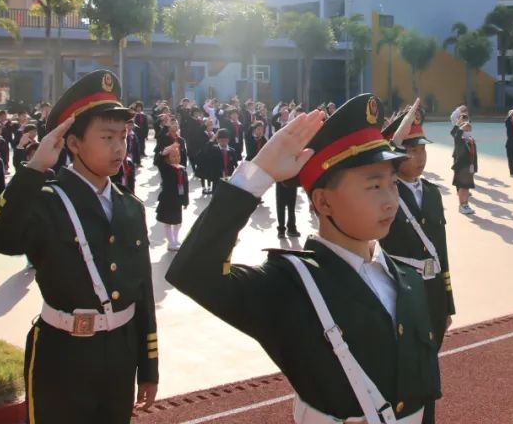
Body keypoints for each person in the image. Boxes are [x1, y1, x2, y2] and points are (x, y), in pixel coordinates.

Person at [167, 95, 441, 423]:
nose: (390, 201)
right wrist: (257, 175)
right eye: (374, 186)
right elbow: (195, 272)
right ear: (323, 203)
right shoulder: (290, 286)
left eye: (393, 184)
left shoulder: (408, 281)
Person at [0, 70, 159, 423]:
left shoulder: (130, 206)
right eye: (107, 137)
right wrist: (34, 169)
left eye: (123, 136)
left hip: (119, 354)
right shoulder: (46, 200)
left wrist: (148, 365)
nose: (119, 147)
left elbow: (142, 292)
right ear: (73, 143)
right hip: (63, 355)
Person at [380, 99, 455, 424]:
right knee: (401, 370)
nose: (420, 158)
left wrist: (448, 302)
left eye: (423, 151)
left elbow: (442, 251)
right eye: (411, 151)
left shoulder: (434, 193)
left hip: (433, 293)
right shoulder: (387, 193)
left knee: (428, 370)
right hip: (402, 292)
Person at [155, 143, 189, 251]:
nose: (176, 158)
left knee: (178, 222)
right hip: (168, 199)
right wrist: (164, 151)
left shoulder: (182, 169)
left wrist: (186, 200)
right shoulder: (166, 168)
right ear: (167, 159)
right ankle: (171, 242)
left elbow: (185, 186)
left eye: (178, 156)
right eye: (173, 156)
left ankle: (176, 239)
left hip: (178, 200)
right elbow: (158, 161)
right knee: (168, 222)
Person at [450, 119, 478, 215]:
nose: (468, 131)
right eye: (466, 130)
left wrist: (474, 168)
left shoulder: (471, 141)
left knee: (467, 188)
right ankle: (462, 205)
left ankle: (466, 204)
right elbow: (456, 134)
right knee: (462, 188)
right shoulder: (459, 141)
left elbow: (474, 156)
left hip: (469, 169)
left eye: (469, 129)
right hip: (461, 168)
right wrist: (460, 127)